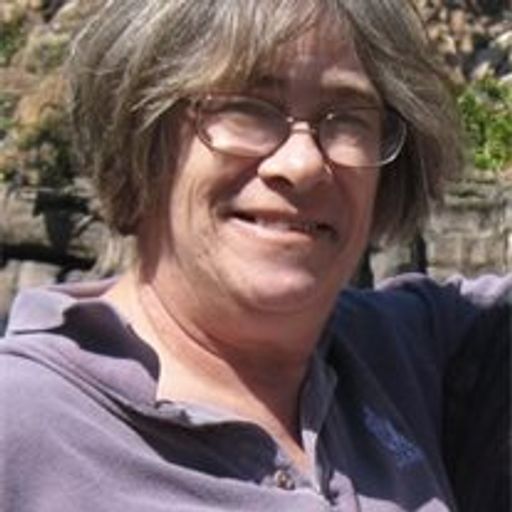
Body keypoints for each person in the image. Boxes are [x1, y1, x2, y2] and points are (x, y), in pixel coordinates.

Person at [0, 0, 510, 510]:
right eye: (245, 108)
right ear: (141, 136)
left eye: (348, 118)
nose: (302, 164)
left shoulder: (416, 360)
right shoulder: (25, 428)